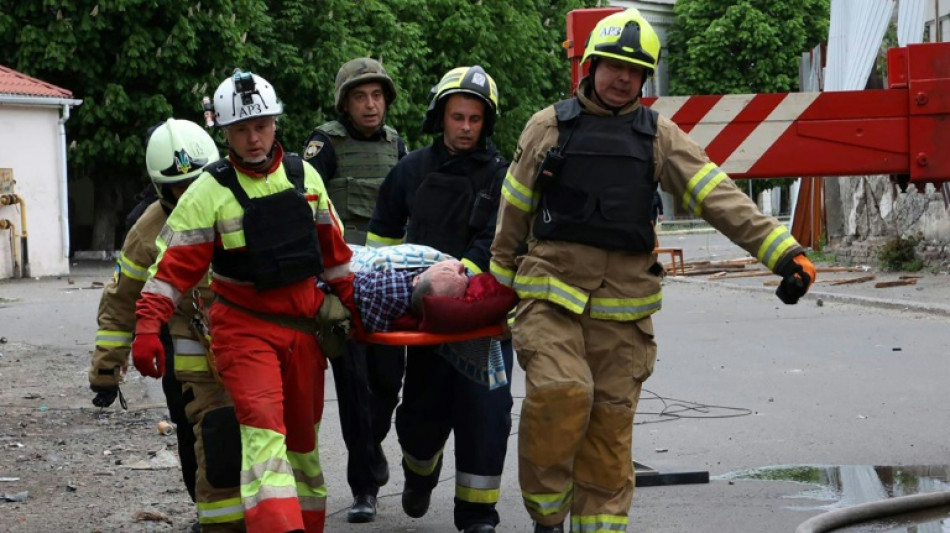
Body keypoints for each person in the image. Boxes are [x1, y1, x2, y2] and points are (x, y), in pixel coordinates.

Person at [489, 9, 817, 533]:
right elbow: (514, 208)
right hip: (550, 299)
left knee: (609, 435)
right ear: (591, 65)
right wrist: (497, 283)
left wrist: (784, 252)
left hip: (624, 314)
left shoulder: (659, 136)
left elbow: (718, 196)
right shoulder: (549, 126)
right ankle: (547, 518)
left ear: (645, 79)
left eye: (635, 70)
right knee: (562, 391)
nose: (623, 78)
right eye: (614, 65)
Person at [132, 69, 355, 533]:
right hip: (244, 330)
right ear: (225, 133)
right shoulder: (208, 192)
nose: (253, 139)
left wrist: (358, 313)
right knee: (263, 440)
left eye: (261, 126)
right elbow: (169, 271)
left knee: (302, 448)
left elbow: (336, 260)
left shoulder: (304, 177)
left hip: (304, 332)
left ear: (275, 124)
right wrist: (148, 328)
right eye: (240, 130)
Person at [367, 65, 512, 533]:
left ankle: (476, 515)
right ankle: (419, 472)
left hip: (481, 323)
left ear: (486, 122)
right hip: (424, 323)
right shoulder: (409, 171)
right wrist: (389, 302)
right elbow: (380, 247)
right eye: (457, 117)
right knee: (420, 417)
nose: (466, 127)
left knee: (486, 418)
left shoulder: (502, 177)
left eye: (474, 119)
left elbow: (499, 244)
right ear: (441, 117)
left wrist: (460, 276)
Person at [89, 118, 245, 532]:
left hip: (248, 335)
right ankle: (215, 516)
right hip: (184, 342)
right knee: (207, 432)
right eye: (180, 187)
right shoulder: (147, 232)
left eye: (199, 182)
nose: (192, 194)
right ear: (161, 189)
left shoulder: (244, 200)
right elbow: (121, 303)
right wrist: (107, 370)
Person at [301, 57, 408, 523]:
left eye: (377, 95)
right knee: (353, 389)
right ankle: (363, 486)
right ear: (345, 103)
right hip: (341, 290)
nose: (371, 105)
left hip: (388, 286)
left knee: (388, 382)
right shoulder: (323, 145)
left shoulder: (397, 145)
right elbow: (303, 209)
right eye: (361, 96)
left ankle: (372, 445)